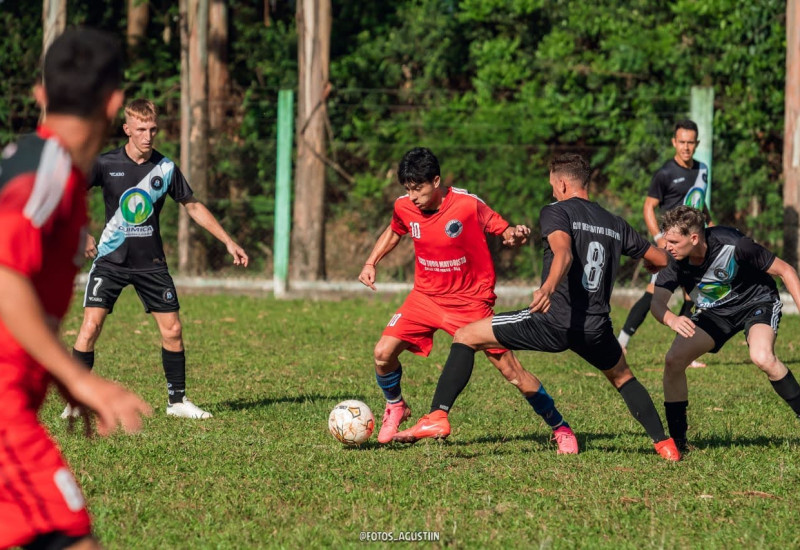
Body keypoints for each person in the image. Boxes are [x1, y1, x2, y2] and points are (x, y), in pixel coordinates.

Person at [394, 153, 682, 462]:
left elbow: (564, 254)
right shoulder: (614, 223)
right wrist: (653, 267)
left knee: (466, 335)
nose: (552, 191)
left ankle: (438, 414)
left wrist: (547, 288)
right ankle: (665, 445)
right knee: (624, 378)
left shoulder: (556, 212)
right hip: (595, 328)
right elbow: (661, 259)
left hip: (552, 321)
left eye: (551, 185)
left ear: (561, 183)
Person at [0, 27, 153, 550]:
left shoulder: (43, 168)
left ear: (40, 96)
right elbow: (3, 277)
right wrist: (79, 378)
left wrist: (57, 381)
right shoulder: (44, 171)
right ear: (114, 104)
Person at [358, 147, 578, 454]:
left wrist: (516, 235)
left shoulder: (466, 204)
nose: (412, 197)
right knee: (382, 353)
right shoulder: (405, 207)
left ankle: (561, 427)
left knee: (512, 372)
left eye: (418, 188)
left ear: (436, 181)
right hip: (424, 297)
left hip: (470, 304)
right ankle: (396, 406)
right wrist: (371, 263)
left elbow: (505, 230)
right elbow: (394, 231)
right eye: (407, 190)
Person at [62, 98, 249, 421]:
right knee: (90, 327)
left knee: (173, 330)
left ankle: (177, 401)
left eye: (153, 129)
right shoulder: (105, 164)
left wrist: (228, 241)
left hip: (151, 263)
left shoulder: (165, 168)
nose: (148, 136)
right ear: (127, 130)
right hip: (110, 260)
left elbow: (192, 205)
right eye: (141, 130)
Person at [651, 206, 800, 451]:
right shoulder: (672, 259)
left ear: (694, 238)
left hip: (756, 302)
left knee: (762, 357)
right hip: (715, 313)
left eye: (674, 241)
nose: (668, 247)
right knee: (674, 360)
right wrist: (671, 319)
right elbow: (657, 303)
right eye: (667, 240)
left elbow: (786, 270)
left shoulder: (735, 244)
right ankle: (679, 442)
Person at [618, 120, 713, 368]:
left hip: (692, 246)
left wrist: (711, 228)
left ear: (697, 144)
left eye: (690, 142)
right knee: (653, 294)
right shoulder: (665, 173)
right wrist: (660, 239)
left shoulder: (702, 169)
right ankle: (621, 342)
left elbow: (700, 203)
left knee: (694, 295)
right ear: (674, 142)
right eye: (681, 142)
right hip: (671, 246)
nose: (686, 147)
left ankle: (684, 349)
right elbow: (648, 207)